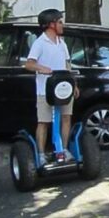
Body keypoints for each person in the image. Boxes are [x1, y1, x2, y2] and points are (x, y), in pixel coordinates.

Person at [24, 9, 78, 165]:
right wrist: (43, 69)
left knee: (66, 118)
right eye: (60, 22)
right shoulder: (40, 43)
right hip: (45, 91)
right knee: (44, 122)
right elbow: (29, 64)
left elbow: (68, 65)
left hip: (63, 89)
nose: (63, 25)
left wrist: (74, 84)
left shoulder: (62, 43)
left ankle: (64, 150)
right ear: (51, 24)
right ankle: (41, 154)